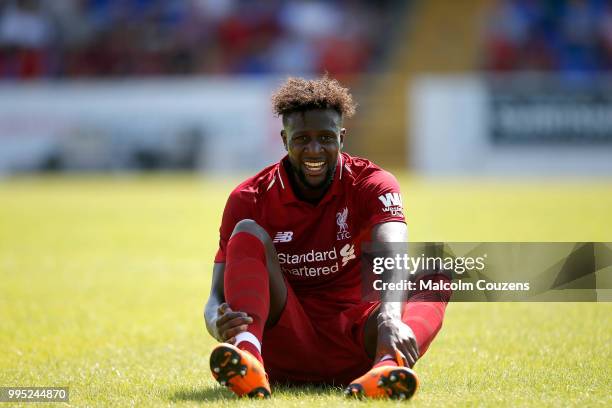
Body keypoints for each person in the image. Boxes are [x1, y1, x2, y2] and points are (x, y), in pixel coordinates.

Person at [204, 76, 451, 399]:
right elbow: (214, 299)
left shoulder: (373, 183)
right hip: (284, 344)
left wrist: (390, 317)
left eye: (325, 138)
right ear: (284, 139)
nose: (314, 149)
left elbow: (393, 249)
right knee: (247, 232)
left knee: (436, 273)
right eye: (302, 139)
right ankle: (249, 358)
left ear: (342, 137)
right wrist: (217, 323)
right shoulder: (249, 197)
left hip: (359, 341)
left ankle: (386, 368)